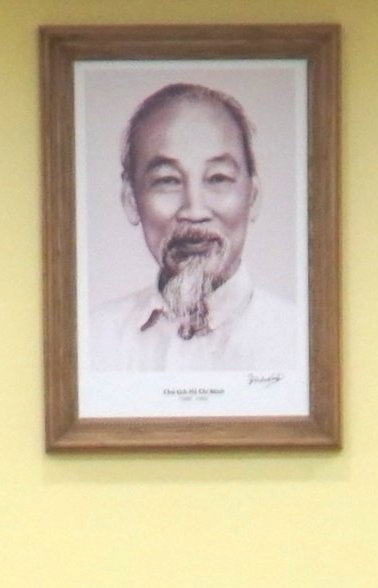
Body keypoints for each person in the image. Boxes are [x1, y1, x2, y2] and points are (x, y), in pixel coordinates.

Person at [88, 81, 303, 376]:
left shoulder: (299, 340)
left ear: (252, 197)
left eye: (217, 178)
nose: (194, 211)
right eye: (167, 180)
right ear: (131, 200)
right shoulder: (93, 342)